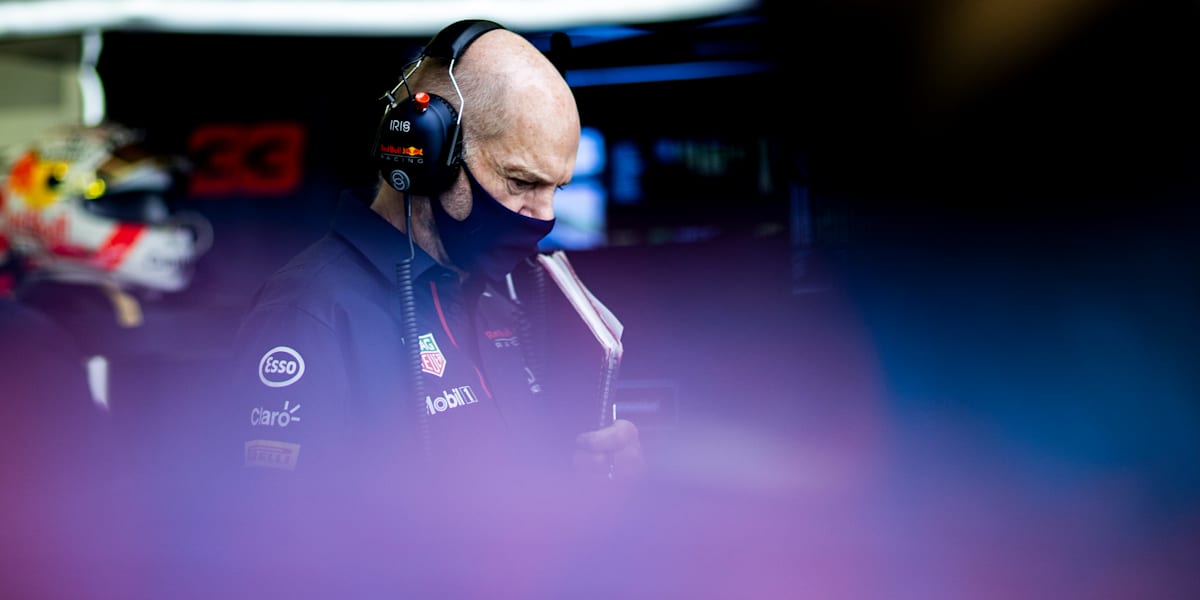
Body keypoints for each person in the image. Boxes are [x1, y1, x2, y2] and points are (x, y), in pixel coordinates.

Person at [225, 19, 644, 506]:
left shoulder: (505, 295)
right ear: (426, 154)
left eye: (557, 188)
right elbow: (276, 533)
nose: (544, 215)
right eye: (521, 182)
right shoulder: (309, 311)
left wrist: (590, 473)